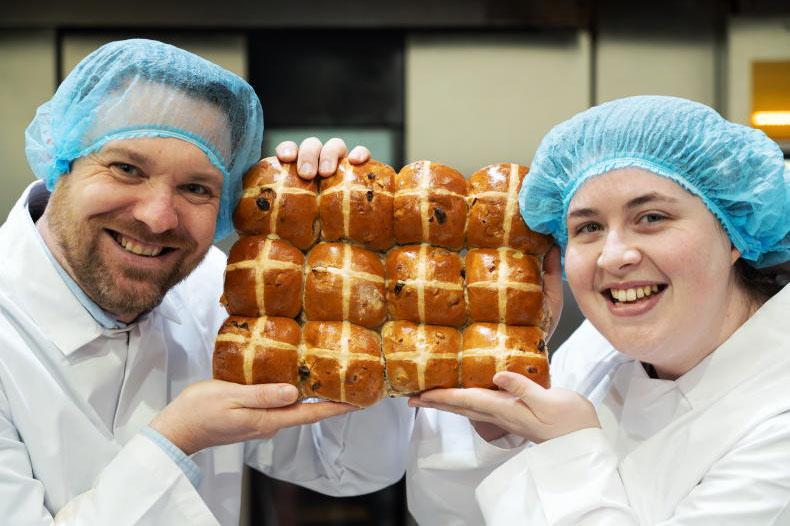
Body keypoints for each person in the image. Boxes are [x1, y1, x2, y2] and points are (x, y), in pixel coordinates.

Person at [0, 39, 413, 525]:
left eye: (196, 188)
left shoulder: (216, 290)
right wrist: (177, 440)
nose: (157, 218)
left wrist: (352, 267)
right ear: (60, 162)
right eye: (126, 168)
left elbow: (345, 469)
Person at [406, 95, 790, 524]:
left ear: (734, 232)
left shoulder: (778, 418)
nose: (612, 256)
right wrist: (500, 431)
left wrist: (566, 449)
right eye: (588, 227)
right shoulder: (599, 348)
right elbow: (452, 515)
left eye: (651, 217)